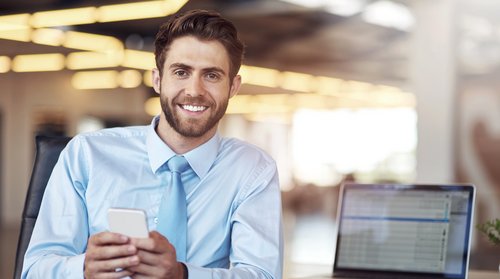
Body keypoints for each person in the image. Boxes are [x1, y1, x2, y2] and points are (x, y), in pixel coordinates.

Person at [22, 9, 283, 279]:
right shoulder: (86, 154)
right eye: (181, 72)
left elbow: (261, 274)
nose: (194, 90)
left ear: (233, 87)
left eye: (212, 75)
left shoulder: (252, 170)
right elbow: (34, 270)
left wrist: (182, 275)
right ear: (157, 79)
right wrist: (82, 269)